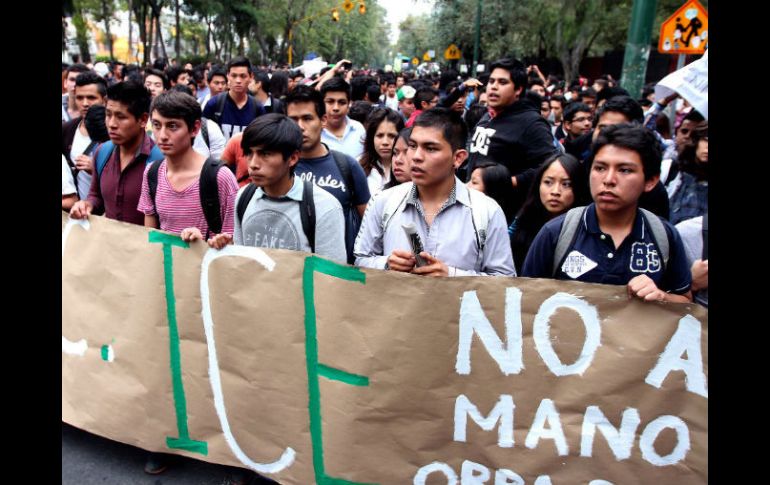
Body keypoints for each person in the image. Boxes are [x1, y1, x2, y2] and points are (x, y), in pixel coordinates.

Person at [522, 124, 692, 303]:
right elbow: (525, 299)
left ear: (650, 181)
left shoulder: (664, 235)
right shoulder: (557, 232)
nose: (608, 180)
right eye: (600, 168)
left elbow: (686, 301)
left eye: (624, 170)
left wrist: (661, 297)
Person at [354, 108, 516, 276]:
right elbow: (360, 259)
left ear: (458, 158)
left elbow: (504, 280)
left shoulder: (486, 212)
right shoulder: (384, 201)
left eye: (430, 148)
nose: (416, 156)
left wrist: (452, 276)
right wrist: (386, 263)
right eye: (412, 146)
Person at [208, 113, 346, 263]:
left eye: (265, 154)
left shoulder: (323, 207)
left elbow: (331, 278)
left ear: (292, 158)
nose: (253, 164)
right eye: (248, 153)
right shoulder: (243, 197)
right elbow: (243, 264)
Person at [285, 85, 371, 264]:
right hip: (289, 273)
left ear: (323, 120)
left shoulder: (347, 166)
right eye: (293, 119)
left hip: (337, 274)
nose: (300, 127)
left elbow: (370, 226)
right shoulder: (279, 167)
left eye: (307, 118)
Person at [138, 90, 238, 241]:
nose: (163, 136)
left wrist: (202, 244)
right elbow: (151, 238)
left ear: (195, 128)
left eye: (172, 126)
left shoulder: (220, 177)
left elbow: (234, 241)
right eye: (157, 125)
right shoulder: (152, 173)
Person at [465, 57, 559, 216]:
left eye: (502, 82)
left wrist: (511, 182)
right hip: (472, 209)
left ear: (518, 89)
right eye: (491, 81)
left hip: (504, 216)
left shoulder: (532, 123)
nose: (494, 87)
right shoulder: (487, 116)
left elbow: (550, 166)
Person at [508, 153, 587, 274]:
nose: (555, 191)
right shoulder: (521, 221)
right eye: (548, 182)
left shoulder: (587, 227)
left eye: (566, 184)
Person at [202, 57, 266, 140]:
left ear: (251, 77)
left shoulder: (258, 108)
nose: (238, 80)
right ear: (228, 76)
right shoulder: (213, 104)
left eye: (243, 76)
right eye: (234, 76)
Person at [359, 107, 405, 197]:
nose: (385, 142)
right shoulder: (359, 167)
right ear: (371, 138)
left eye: (392, 136)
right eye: (380, 135)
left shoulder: (411, 168)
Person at [319, 76, 367, 160]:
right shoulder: (315, 133)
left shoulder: (359, 129)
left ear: (349, 105)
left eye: (342, 102)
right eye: (330, 102)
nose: (336, 108)